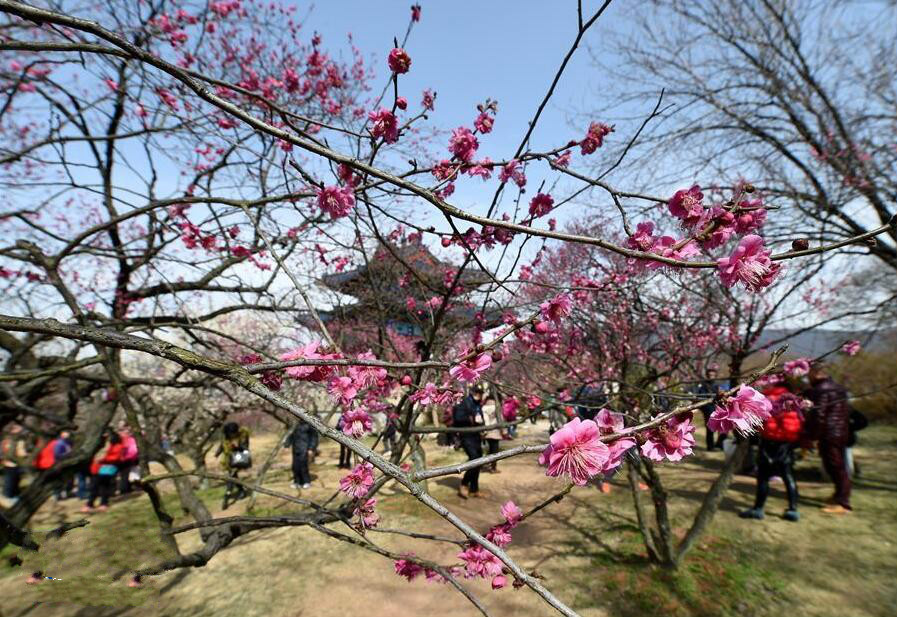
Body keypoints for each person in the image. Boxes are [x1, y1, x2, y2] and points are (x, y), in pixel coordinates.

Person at [740, 385, 804, 522]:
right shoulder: (790, 399)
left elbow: (763, 424)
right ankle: (793, 509)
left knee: (763, 477)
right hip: (786, 444)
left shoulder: (765, 400)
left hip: (769, 443)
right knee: (788, 476)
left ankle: (758, 509)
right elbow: (795, 424)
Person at [804, 364, 853, 514]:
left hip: (829, 433)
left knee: (836, 467)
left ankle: (843, 503)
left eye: (809, 372)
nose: (807, 376)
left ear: (817, 373)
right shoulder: (838, 388)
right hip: (840, 431)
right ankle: (839, 495)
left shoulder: (821, 390)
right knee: (836, 466)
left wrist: (812, 436)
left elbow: (819, 416)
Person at [453, 386, 485, 498]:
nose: (480, 395)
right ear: (473, 393)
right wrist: (470, 418)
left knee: (479, 461)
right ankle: (464, 484)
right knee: (474, 459)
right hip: (466, 436)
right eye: (478, 392)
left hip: (476, 435)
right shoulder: (464, 403)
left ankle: (474, 489)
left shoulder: (477, 404)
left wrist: (482, 427)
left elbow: (480, 417)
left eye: (481, 393)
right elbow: (457, 418)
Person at [82, 432, 124, 513]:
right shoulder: (98, 445)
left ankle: (103, 503)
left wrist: (104, 459)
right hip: (96, 468)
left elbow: (116, 457)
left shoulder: (117, 445)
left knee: (104, 486)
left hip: (106, 469)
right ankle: (90, 504)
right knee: (94, 486)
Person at [216, 421, 251, 509]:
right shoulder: (227, 435)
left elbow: (245, 448)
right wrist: (218, 453)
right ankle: (241, 490)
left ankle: (227, 496)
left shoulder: (243, 435)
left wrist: (236, 447)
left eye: (232, 434)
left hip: (239, 457)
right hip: (229, 459)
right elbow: (222, 444)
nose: (231, 435)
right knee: (234, 476)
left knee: (231, 477)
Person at [696, 368, 727, 451]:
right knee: (710, 428)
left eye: (713, 375)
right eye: (710, 375)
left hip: (717, 409)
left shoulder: (717, 386)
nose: (711, 377)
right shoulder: (703, 386)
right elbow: (700, 397)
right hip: (708, 409)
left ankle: (719, 444)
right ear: (707, 375)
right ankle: (710, 446)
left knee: (723, 427)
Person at [284, 419, 318, 489]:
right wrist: (287, 445)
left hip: (305, 449)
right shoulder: (296, 425)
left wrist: (311, 448)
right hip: (296, 449)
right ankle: (297, 482)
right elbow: (291, 436)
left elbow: (314, 437)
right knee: (295, 466)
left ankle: (306, 482)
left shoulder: (310, 425)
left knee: (303, 466)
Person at [1, 424, 30, 505]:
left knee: (16, 480)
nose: (21, 431)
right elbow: (14, 452)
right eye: (18, 429)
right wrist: (24, 453)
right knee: (10, 481)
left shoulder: (19, 440)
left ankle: (14, 494)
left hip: (17, 464)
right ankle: (9, 497)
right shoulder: (8, 441)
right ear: (12, 430)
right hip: (10, 464)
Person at [481, 395, 503, 474]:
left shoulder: (483, 408)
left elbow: (483, 420)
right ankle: (493, 467)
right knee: (495, 451)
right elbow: (500, 419)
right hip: (495, 431)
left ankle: (486, 464)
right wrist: (503, 430)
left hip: (486, 432)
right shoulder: (496, 407)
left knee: (490, 450)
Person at [117, 422, 139, 494]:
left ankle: (129, 487)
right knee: (125, 474)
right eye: (123, 430)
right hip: (125, 459)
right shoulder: (122, 439)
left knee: (132, 472)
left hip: (132, 458)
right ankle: (124, 489)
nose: (127, 431)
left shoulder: (130, 438)